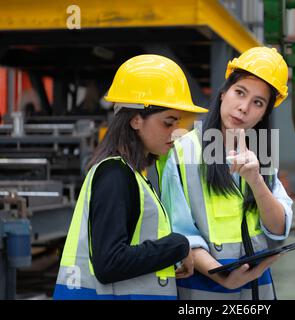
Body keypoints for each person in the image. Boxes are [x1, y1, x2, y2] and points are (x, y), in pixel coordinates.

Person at [53, 54, 208, 300]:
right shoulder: (115, 175)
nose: (175, 133)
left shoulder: (133, 176)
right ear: (136, 120)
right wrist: (178, 245)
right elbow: (110, 263)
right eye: (168, 123)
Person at [160, 47, 293, 300]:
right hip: (206, 288)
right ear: (223, 93)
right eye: (240, 92)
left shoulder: (261, 153)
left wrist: (256, 180)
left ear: (265, 112)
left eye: (258, 102)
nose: (244, 108)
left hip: (258, 289)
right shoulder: (185, 151)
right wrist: (224, 278)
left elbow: (278, 228)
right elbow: (180, 232)